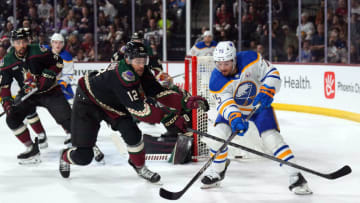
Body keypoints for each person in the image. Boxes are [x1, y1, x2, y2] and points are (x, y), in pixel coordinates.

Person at [58, 41, 208, 182]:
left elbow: (159, 92)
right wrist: (172, 117)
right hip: (87, 101)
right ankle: (65, 156)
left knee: (133, 135)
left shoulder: (142, 70)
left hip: (113, 103)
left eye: (144, 60)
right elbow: (142, 111)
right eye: (138, 61)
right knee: (84, 157)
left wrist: (184, 102)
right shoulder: (124, 76)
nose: (142, 65)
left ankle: (140, 167)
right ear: (128, 60)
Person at [202, 41, 312, 195]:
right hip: (236, 110)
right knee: (218, 136)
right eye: (219, 64)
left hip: (259, 107)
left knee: (272, 139)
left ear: (233, 59)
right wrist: (235, 118)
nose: (222, 68)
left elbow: (272, 73)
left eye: (226, 63)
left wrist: (268, 88)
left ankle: (296, 176)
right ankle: (217, 171)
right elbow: (225, 104)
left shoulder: (251, 59)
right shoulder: (216, 79)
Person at [0, 28, 72, 164]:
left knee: (67, 119)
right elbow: (4, 86)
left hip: (50, 91)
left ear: (28, 41)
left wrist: (49, 74)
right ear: (12, 43)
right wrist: (6, 103)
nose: (21, 45)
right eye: (17, 42)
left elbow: (58, 63)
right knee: (12, 119)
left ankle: (79, 142)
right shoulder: (7, 61)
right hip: (29, 94)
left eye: (23, 41)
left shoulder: (38, 50)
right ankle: (31, 149)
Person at [45, 33, 104, 161]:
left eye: (60, 43)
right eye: (55, 42)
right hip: (47, 91)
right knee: (61, 116)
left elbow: (68, 75)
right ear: (51, 43)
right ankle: (70, 133)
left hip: (62, 90)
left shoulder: (66, 56)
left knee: (76, 116)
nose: (57, 45)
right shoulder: (44, 51)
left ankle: (86, 141)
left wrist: (60, 83)